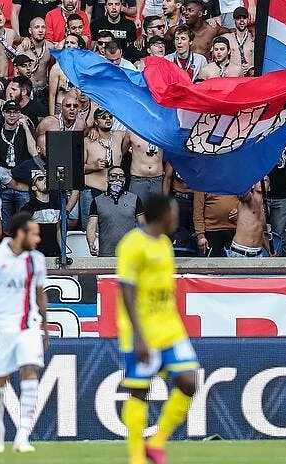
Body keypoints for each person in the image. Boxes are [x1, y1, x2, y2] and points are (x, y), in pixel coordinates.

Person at [116, 192, 199, 464]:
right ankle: (137, 456)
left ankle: (158, 442)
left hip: (170, 328)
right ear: (163, 215)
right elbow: (126, 290)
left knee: (189, 380)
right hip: (141, 331)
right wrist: (138, 336)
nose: (177, 217)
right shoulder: (133, 244)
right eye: (173, 212)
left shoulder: (164, 243)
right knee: (140, 390)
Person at [0, 212, 48, 454]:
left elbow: (40, 294)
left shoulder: (36, 259)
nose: (38, 239)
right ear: (21, 233)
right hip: (1, 327)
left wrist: (45, 326)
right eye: (35, 234)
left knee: (30, 372)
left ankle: (23, 434)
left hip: (28, 326)